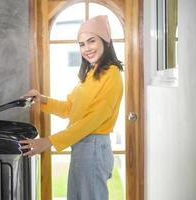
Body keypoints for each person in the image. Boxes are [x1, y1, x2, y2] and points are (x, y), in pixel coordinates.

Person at [20, 15, 123, 200]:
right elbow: (69, 107)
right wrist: (41, 99)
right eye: (82, 44)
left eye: (91, 41)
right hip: (82, 145)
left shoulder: (112, 74)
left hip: (93, 146)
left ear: (105, 41)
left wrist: (48, 141)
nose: (86, 48)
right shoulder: (90, 73)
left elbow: (91, 121)